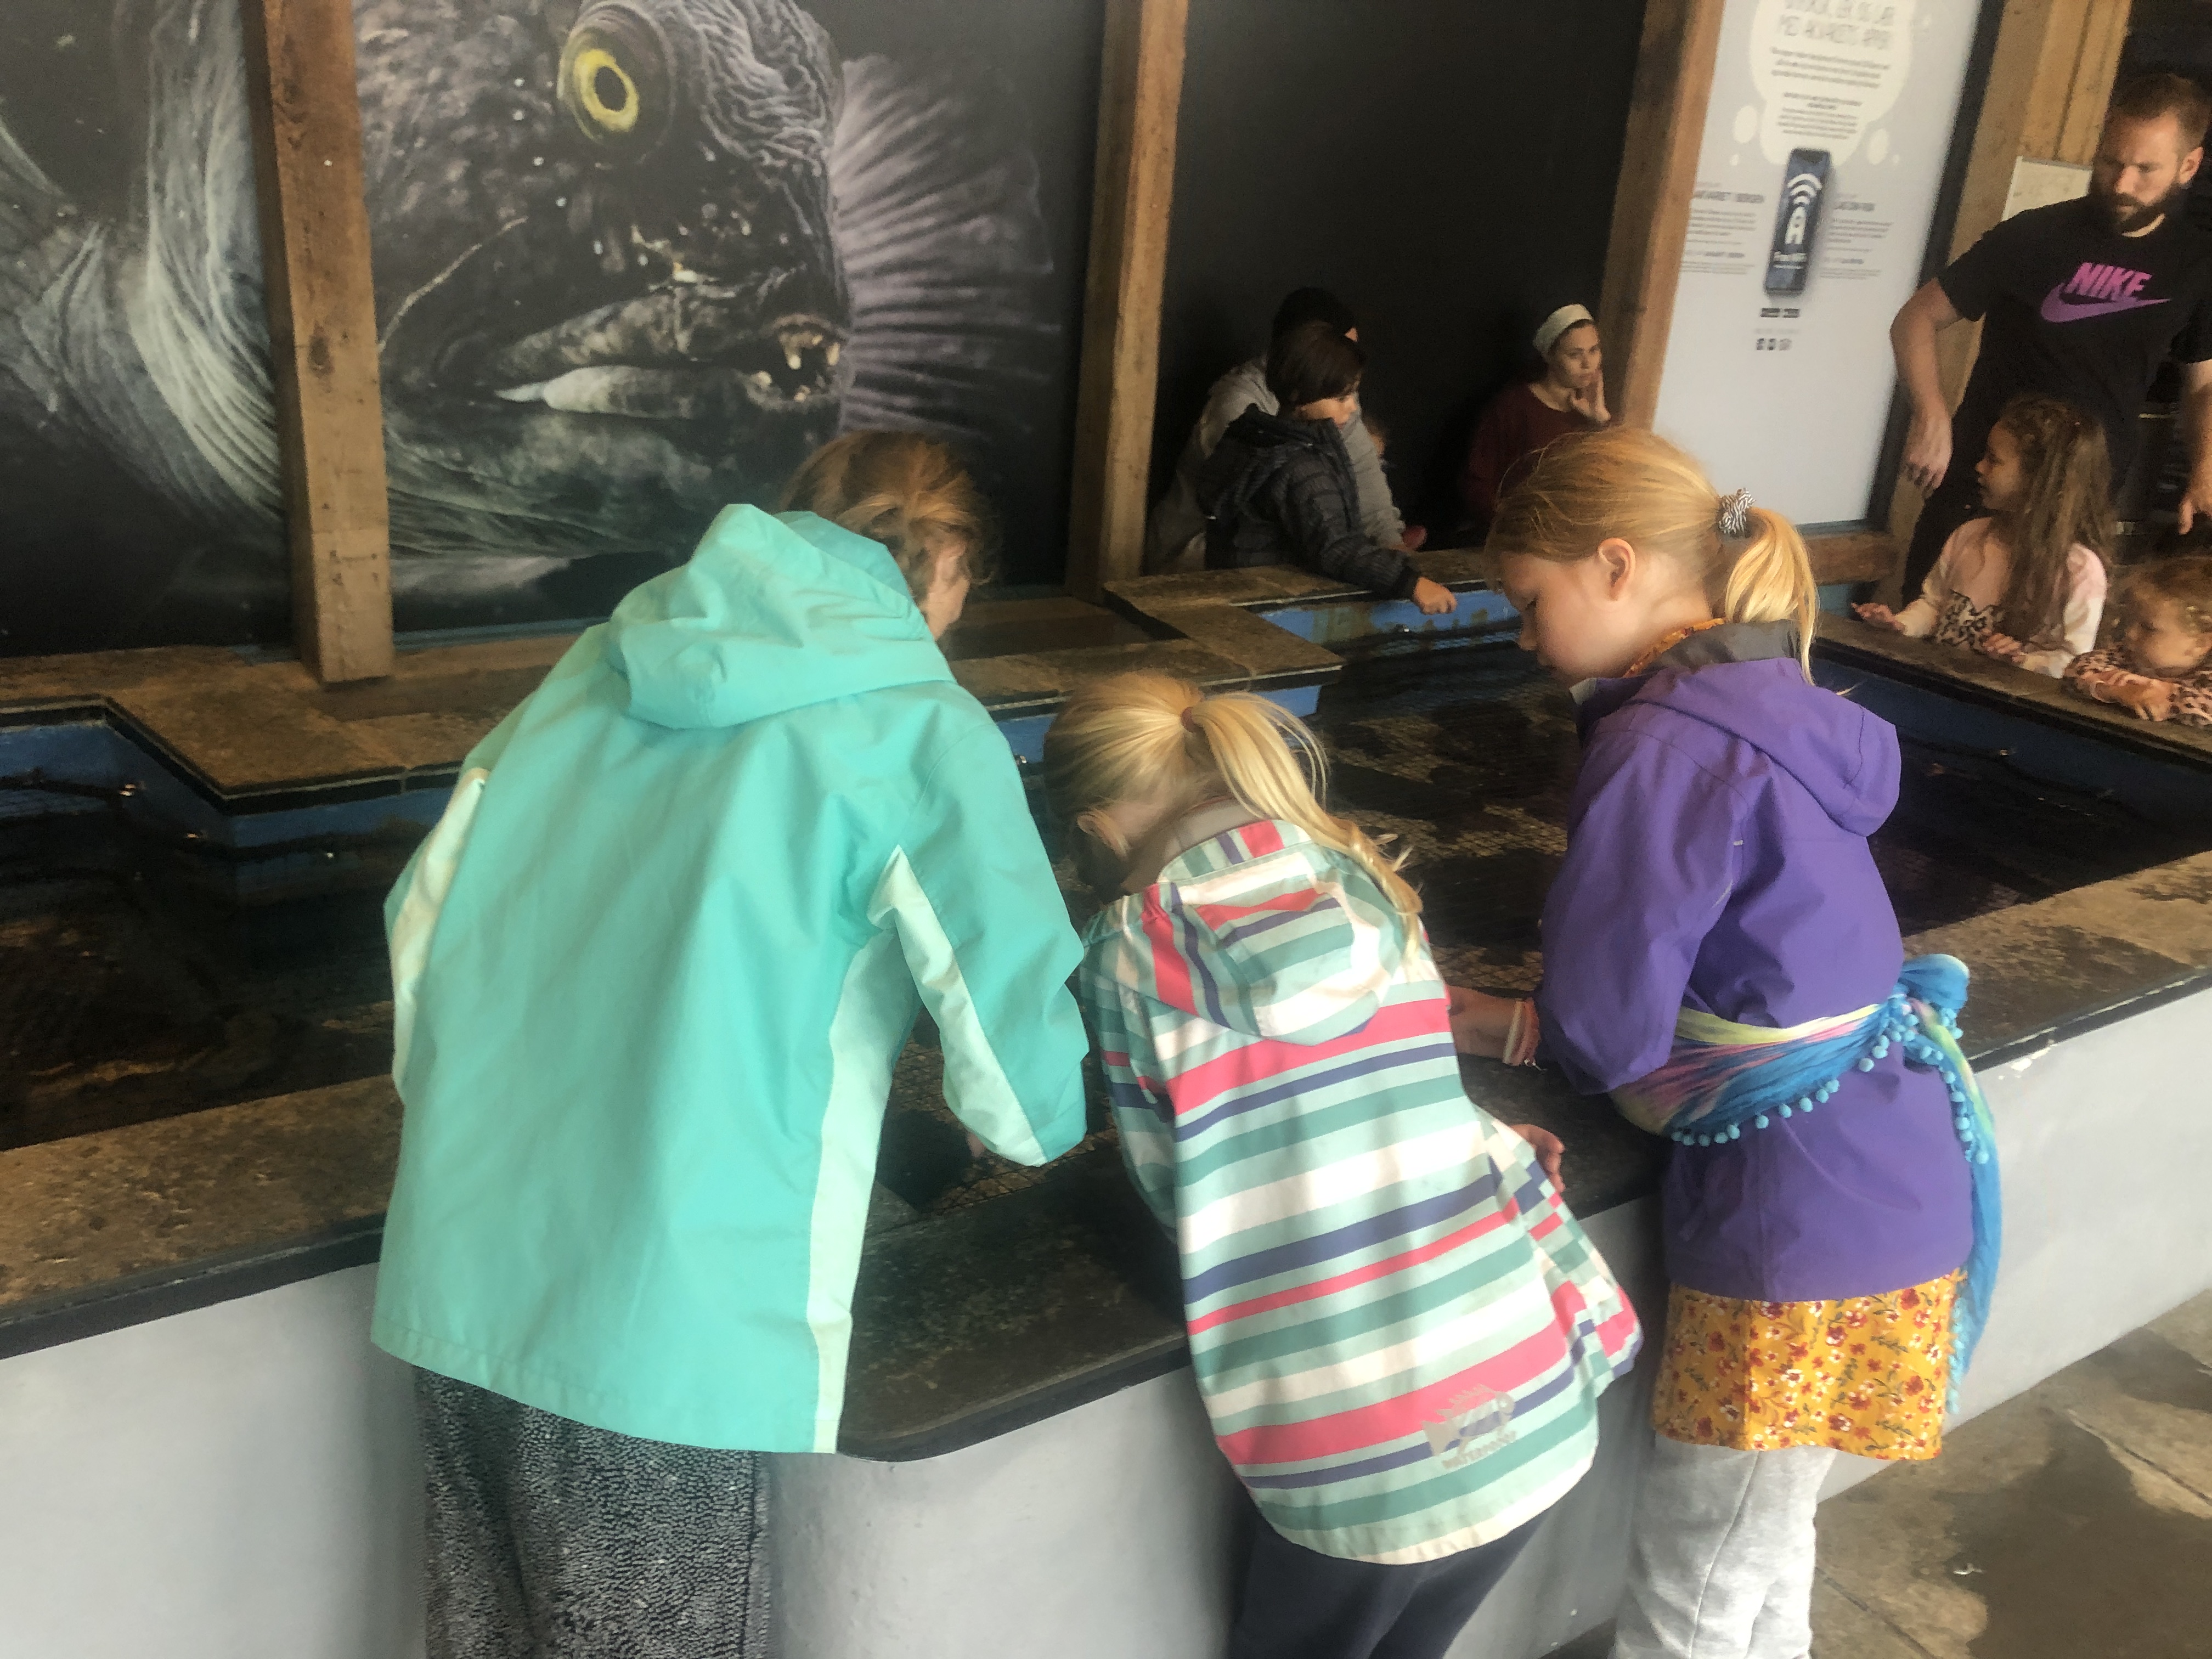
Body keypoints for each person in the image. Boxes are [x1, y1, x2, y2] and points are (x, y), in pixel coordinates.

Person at [372, 431, 1092, 1658]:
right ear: (948, 565)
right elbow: (1023, 1106)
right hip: (668, 1324)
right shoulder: (924, 727)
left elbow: (420, 931)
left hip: (461, 1262)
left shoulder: (594, 667)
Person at [1448, 428, 1999, 1659]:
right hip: (1890, 1167)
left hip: (1791, 1222)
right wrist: (1513, 1017)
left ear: (1614, 565)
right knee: (1766, 1539)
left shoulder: (1656, 741)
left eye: (1529, 601)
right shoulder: (1779, 699)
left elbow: (1610, 1031)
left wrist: (1529, 1026)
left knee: (1690, 1584)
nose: (1526, 638)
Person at [1043, 671, 1640, 1659]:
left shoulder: (1128, 949)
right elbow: (1404, 1078)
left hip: (1356, 1439)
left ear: (1095, 825)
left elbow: (1170, 1186)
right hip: (1528, 1384)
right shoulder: (1360, 878)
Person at [1892, 72, 2212, 599]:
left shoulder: (2197, 264)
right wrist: (1930, 414)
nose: (2121, 184)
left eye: (2145, 169)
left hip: (2083, 501)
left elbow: (2202, 384)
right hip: (1982, 481)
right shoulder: (2033, 235)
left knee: (2041, 640)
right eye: (2110, 161)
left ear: (2189, 166)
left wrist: (2203, 468)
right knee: (1922, 621)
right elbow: (1916, 319)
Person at [1198, 320, 1458, 614]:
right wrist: (1411, 583)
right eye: (1341, 398)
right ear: (1299, 395)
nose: (1352, 407)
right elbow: (1335, 548)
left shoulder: (1258, 437)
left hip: (1245, 597)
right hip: (1268, 606)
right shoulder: (1299, 467)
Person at [1148, 286, 1408, 573]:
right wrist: (1368, 561)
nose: (1350, 366)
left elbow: (1363, 469)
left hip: (1284, 545)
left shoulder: (1332, 392)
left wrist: (1391, 545)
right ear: (1308, 358)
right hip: (1198, 548)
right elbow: (1279, 516)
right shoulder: (1238, 406)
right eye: (1342, 353)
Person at [1854, 393, 2110, 677]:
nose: (1979, 467)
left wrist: (2022, 661)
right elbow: (1934, 605)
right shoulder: (1969, 535)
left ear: (2039, 481)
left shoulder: (2079, 571)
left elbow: (2073, 661)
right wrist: (1902, 624)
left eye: (1993, 460)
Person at [1462, 303, 1611, 535]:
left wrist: (1601, 420)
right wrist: (1512, 525)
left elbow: (1613, 480)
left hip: (1573, 535)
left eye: (1594, 350)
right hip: (1521, 534)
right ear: (1550, 356)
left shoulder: (1592, 414)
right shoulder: (1513, 407)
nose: (1587, 364)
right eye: (1575, 354)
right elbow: (1477, 483)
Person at [2066, 552, 2212, 725]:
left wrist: (2163, 693)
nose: (2131, 633)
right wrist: (2115, 690)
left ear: (2200, 644)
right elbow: (2078, 669)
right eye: (2131, 620)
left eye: (2148, 628)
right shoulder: (2126, 655)